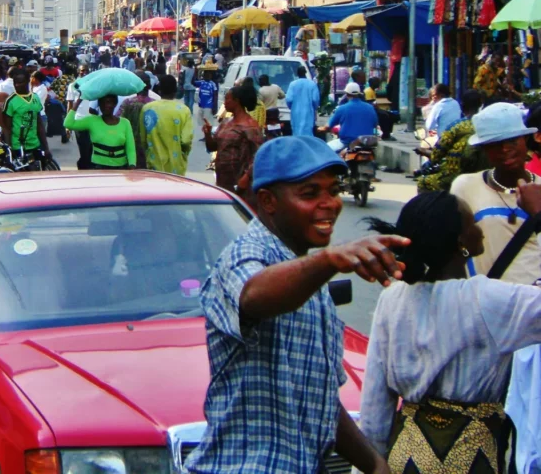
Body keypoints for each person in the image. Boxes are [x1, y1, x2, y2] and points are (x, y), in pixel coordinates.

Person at [188, 136, 401, 473]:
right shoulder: (245, 255)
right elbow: (253, 295)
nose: (329, 204)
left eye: (333, 190)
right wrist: (328, 260)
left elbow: (319, 402)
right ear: (268, 201)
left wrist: (374, 464)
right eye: (310, 194)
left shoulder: (307, 277)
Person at [360, 190, 541, 472]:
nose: (479, 229)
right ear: (461, 242)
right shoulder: (489, 300)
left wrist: (368, 466)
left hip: (405, 459)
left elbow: (374, 407)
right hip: (471, 460)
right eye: (472, 223)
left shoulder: (393, 300)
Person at [451, 103, 540, 284]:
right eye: (495, 144)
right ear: (484, 149)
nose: (505, 149)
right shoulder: (465, 187)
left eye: (512, 141)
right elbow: (452, 247)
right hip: (482, 304)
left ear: (525, 140)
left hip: (532, 305)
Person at [416, 91, 490, 193]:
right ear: (481, 105)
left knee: (423, 182)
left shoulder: (456, 127)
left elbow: (436, 155)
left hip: (455, 176)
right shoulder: (488, 126)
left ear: (462, 106)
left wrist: (423, 152)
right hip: (485, 175)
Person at [203, 84, 265, 193]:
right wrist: (207, 134)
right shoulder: (226, 123)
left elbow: (258, 156)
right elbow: (213, 147)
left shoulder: (250, 126)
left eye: (227, 99)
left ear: (237, 101)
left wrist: (246, 178)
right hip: (223, 181)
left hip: (240, 183)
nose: (224, 102)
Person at [64, 92, 135, 170]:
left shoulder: (125, 123)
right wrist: (79, 101)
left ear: (115, 104)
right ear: (99, 105)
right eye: (102, 103)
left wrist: (132, 166)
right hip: (98, 167)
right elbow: (68, 124)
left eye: (109, 102)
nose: (105, 106)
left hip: (121, 168)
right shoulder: (92, 121)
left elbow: (130, 148)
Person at [142, 74, 194, 175]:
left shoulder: (147, 109)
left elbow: (143, 139)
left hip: (153, 164)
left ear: (159, 91)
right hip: (176, 166)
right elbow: (186, 140)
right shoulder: (184, 111)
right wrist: (183, 153)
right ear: (175, 91)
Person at [2, 68, 50, 160]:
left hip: (35, 144)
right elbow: (7, 128)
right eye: (15, 83)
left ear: (28, 81)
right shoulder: (10, 101)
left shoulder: (35, 97)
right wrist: (9, 150)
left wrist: (46, 147)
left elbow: (39, 124)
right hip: (18, 147)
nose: (17, 85)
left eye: (20, 83)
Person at [114, 72, 155, 169]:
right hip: (149, 150)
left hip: (129, 149)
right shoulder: (155, 104)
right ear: (149, 86)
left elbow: (117, 122)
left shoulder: (128, 103)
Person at [321, 85, 378, 152]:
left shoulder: (342, 108)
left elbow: (327, 126)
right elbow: (375, 124)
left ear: (347, 94)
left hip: (346, 142)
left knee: (325, 150)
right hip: (367, 142)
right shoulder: (370, 108)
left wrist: (319, 129)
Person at [286, 66, 320, 137]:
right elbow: (315, 99)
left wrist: (292, 107)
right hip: (309, 112)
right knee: (308, 132)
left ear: (297, 74)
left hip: (296, 112)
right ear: (305, 72)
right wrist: (314, 108)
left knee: (296, 131)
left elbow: (289, 99)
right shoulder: (312, 84)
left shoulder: (293, 84)